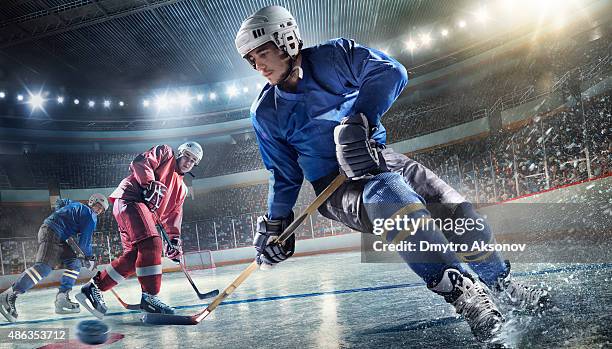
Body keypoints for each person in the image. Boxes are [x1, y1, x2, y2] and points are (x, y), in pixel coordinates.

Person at [235, 5, 550, 342]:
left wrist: (360, 120)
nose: (260, 66)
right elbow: (283, 175)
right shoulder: (266, 112)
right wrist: (275, 224)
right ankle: (462, 292)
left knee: (459, 213)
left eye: (263, 53)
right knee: (386, 194)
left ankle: (502, 283)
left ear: (287, 41)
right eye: (252, 60)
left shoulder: (334, 55)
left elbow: (391, 71)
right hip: (337, 189)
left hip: (381, 157)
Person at [76, 142, 202, 318]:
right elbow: (140, 162)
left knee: (133, 258)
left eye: (193, 160)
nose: (189, 161)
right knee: (151, 243)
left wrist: (173, 241)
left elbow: (172, 217)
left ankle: (93, 288)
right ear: (180, 153)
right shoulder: (165, 153)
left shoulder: (182, 189)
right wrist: (150, 184)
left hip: (139, 213)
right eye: (187, 155)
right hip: (130, 198)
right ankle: (150, 298)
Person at [0, 194, 108, 322]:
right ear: (92, 202)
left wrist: (61, 219)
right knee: (43, 268)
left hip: (56, 233)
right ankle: (9, 294)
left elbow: (60, 202)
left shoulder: (74, 204)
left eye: (101, 210)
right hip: (53, 232)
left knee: (74, 263)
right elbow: (85, 244)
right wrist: (90, 258)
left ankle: (62, 297)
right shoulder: (91, 216)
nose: (99, 210)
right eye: (98, 206)